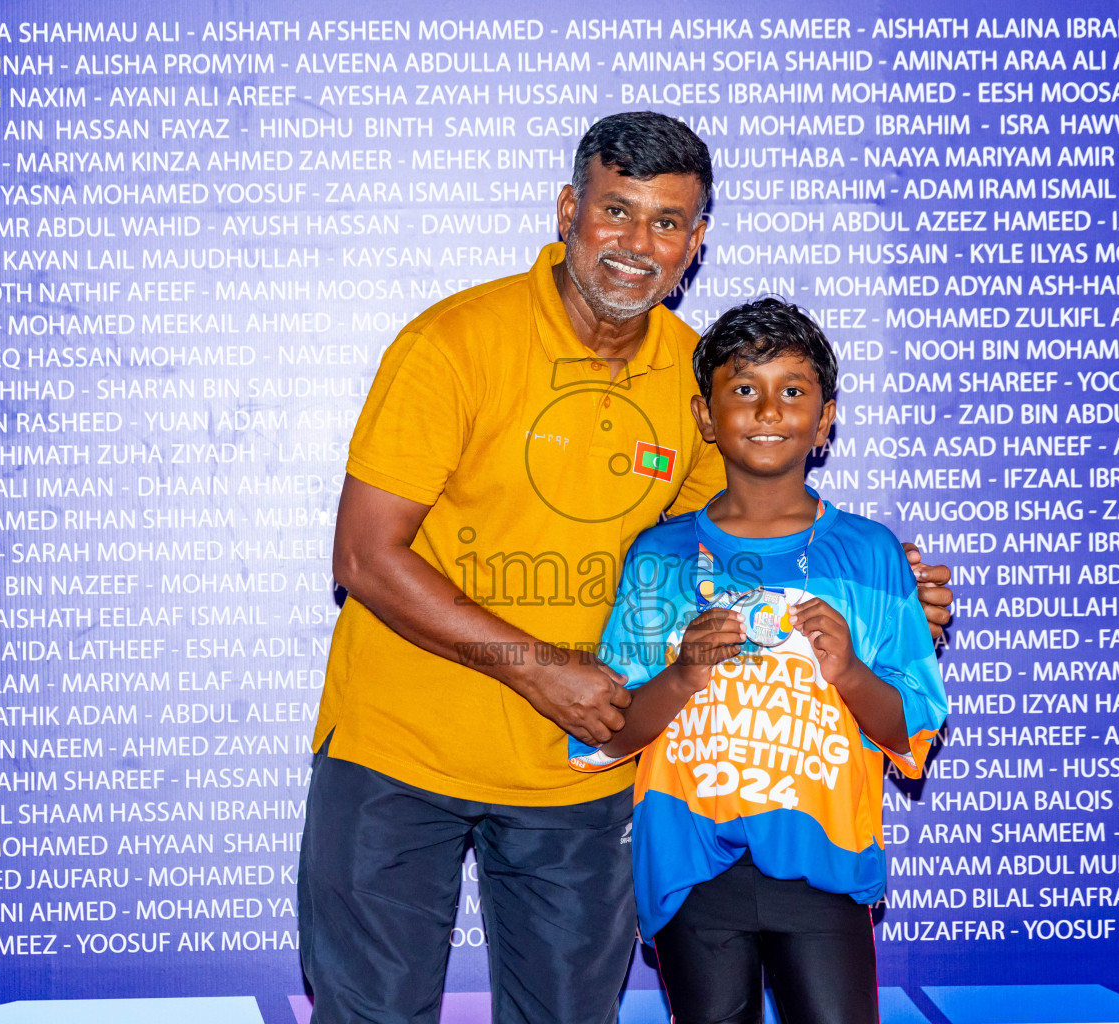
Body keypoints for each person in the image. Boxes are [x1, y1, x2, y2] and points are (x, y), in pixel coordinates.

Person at [299, 112, 953, 1024]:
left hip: (587, 772)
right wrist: (542, 670)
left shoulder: (700, 381)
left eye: (667, 222)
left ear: (696, 241)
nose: (637, 245)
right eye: (617, 211)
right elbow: (365, 556)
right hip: (400, 757)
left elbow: (745, 538)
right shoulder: (452, 342)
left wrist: (886, 585)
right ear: (571, 209)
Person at [568, 298, 947, 1024]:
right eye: (743, 389)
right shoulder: (662, 557)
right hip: (689, 864)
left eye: (793, 390)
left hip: (823, 865)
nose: (768, 409)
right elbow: (605, 733)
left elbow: (911, 733)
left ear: (826, 417)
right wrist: (681, 675)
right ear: (705, 417)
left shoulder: (869, 554)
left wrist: (851, 674)